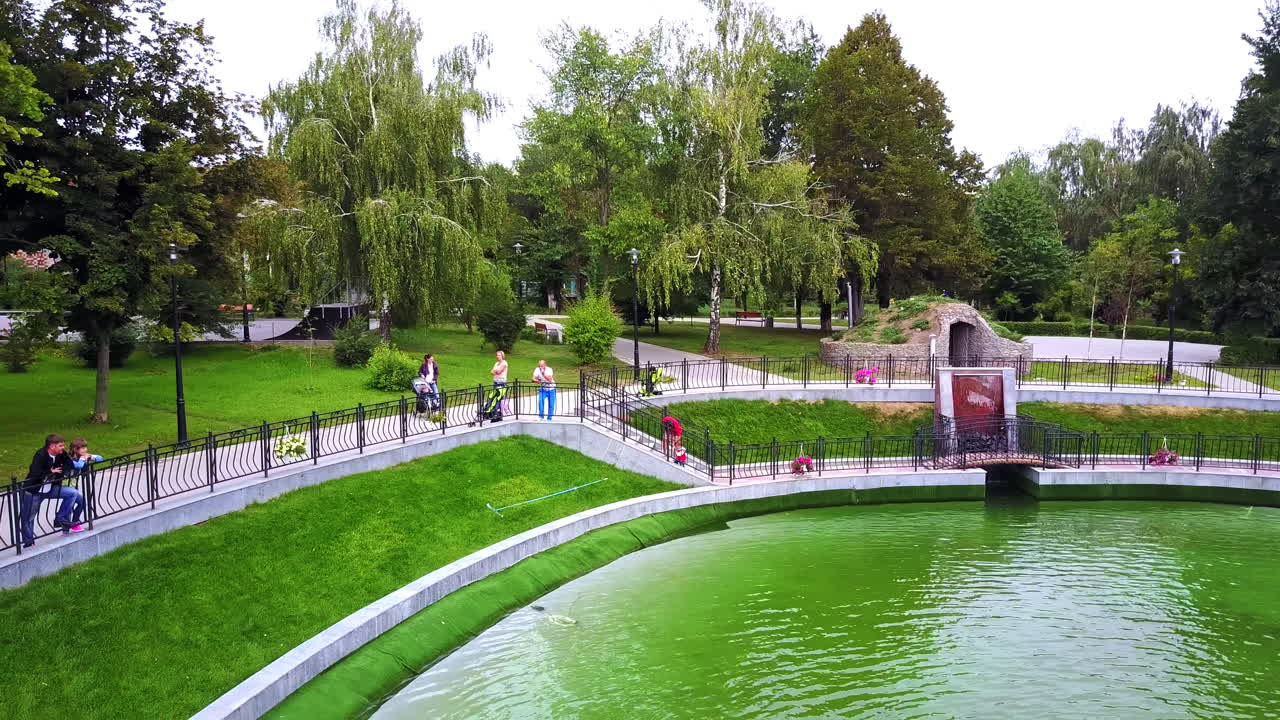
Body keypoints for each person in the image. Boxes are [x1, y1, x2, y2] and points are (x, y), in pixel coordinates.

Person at [19, 434, 86, 547]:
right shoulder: (40, 455)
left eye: (63, 445)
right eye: (60, 446)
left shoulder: (61, 454)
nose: (63, 448)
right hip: (34, 491)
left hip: (51, 488)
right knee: (29, 517)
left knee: (72, 493)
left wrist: (61, 471)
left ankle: (60, 518)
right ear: (52, 446)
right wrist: (51, 472)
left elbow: (69, 465)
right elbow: (35, 473)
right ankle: (29, 542)